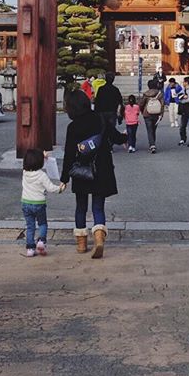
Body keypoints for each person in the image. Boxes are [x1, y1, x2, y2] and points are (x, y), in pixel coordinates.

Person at [60, 90, 127, 259]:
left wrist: (64, 178)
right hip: (102, 168)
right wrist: (125, 137)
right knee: (98, 206)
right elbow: (117, 137)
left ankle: (82, 244)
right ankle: (98, 238)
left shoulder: (73, 126)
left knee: (81, 206)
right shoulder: (100, 118)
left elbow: (68, 154)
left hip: (82, 170)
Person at [21, 149, 64, 257]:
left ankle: (30, 249)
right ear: (40, 162)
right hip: (39, 203)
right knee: (42, 223)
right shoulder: (42, 175)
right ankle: (41, 241)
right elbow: (50, 188)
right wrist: (60, 188)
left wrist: (41, 157)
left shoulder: (25, 173)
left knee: (30, 226)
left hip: (25, 203)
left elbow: (31, 161)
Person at [139, 79, 164, 153]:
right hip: (156, 113)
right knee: (153, 129)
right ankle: (153, 143)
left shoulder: (146, 94)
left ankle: (152, 145)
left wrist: (141, 110)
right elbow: (162, 104)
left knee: (149, 130)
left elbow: (141, 104)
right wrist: (161, 114)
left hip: (147, 113)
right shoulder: (159, 94)